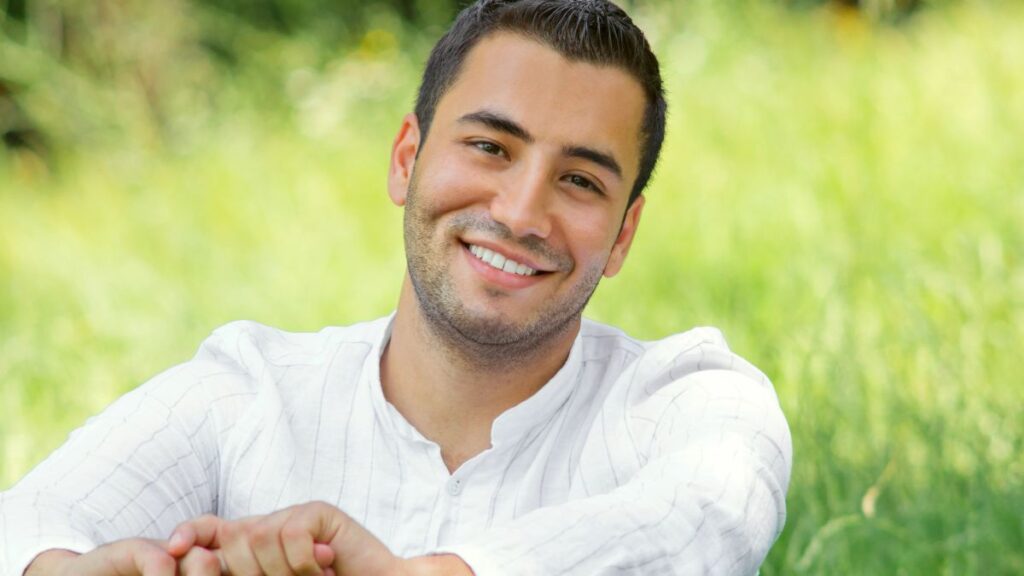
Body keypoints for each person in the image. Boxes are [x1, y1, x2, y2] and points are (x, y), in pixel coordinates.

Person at [0, 1, 793, 574]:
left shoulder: (686, 403)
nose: (520, 212)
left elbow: (706, 516)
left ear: (624, 233)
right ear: (406, 158)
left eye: (580, 180)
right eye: (489, 146)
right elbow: (23, 525)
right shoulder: (249, 394)